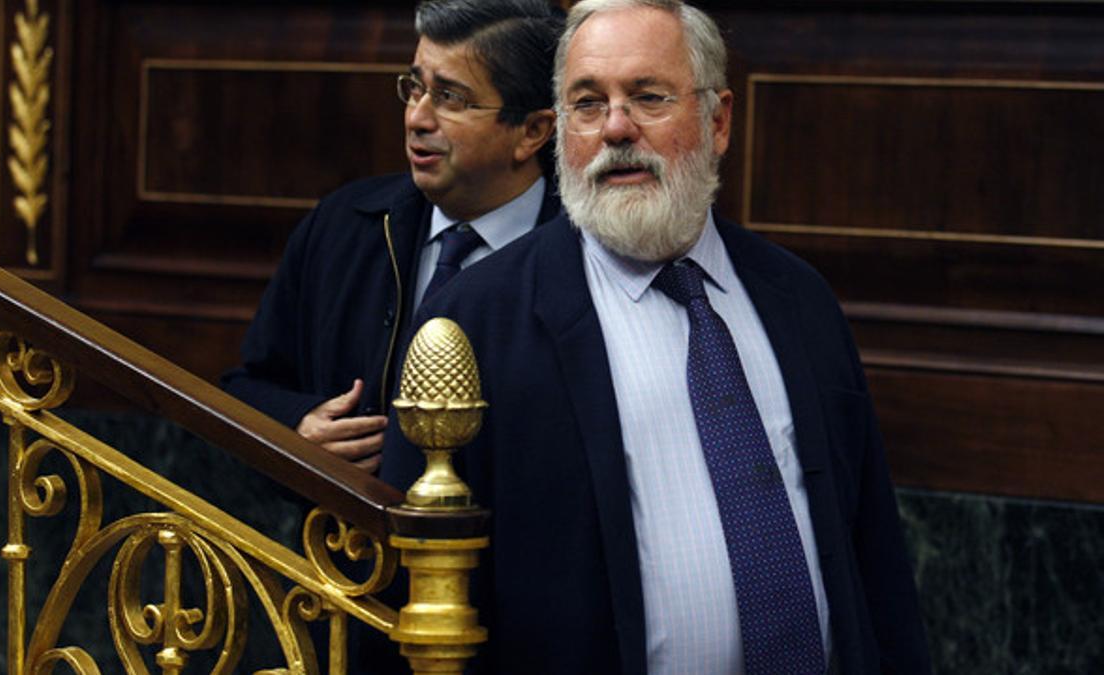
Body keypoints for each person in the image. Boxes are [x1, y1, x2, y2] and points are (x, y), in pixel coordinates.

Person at [380, 0, 933, 672]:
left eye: (647, 96)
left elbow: (871, 554)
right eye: (588, 103)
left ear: (718, 120)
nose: (616, 128)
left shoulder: (798, 301)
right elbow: (411, 598)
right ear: (559, 130)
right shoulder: (475, 320)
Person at [222, 0, 564, 472]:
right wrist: (297, 433)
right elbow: (247, 389)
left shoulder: (583, 256)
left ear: (532, 131)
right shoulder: (343, 225)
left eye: (450, 98)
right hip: (343, 540)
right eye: (415, 89)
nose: (416, 119)